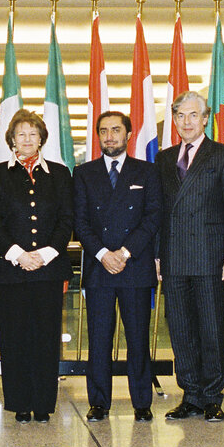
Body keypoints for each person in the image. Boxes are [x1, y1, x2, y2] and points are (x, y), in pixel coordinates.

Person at [0, 109, 74, 423]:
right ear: (11, 139)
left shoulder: (60, 174)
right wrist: (17, 254)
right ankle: (20, 403)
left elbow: (67, 221)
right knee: (15, 337)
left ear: (41, 139)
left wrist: (46, 253)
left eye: (32, 134)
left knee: (46, 338)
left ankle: (43, 403)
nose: (26, 139)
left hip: (49, 270)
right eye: (20, 134)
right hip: (12, 270)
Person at [73, 111, 161, 422]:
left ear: (128, 134)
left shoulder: (147, 172)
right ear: (97, 136)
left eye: (116, 130)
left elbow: (153, 218)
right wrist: (102, 254)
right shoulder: (83, 173)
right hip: (99, 269)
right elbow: (80, 222)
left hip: (134, 267)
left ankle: (141, 402)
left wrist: (123, 253)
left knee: (137, 338)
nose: (110, 136)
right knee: (99, 339)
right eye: (104, 131)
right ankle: (98, 402)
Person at [156, 91, 224, 423]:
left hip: (210, 255)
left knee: (211, 328)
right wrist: (159, 255)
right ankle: (189, 394)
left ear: (205, 119)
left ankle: (212, 396)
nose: (186, 122)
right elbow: (160, 211)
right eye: (180, 116)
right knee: (180, 328)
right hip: (174, 256)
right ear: (173, 120)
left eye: (193, 115)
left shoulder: (223, 155)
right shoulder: (163, 159)